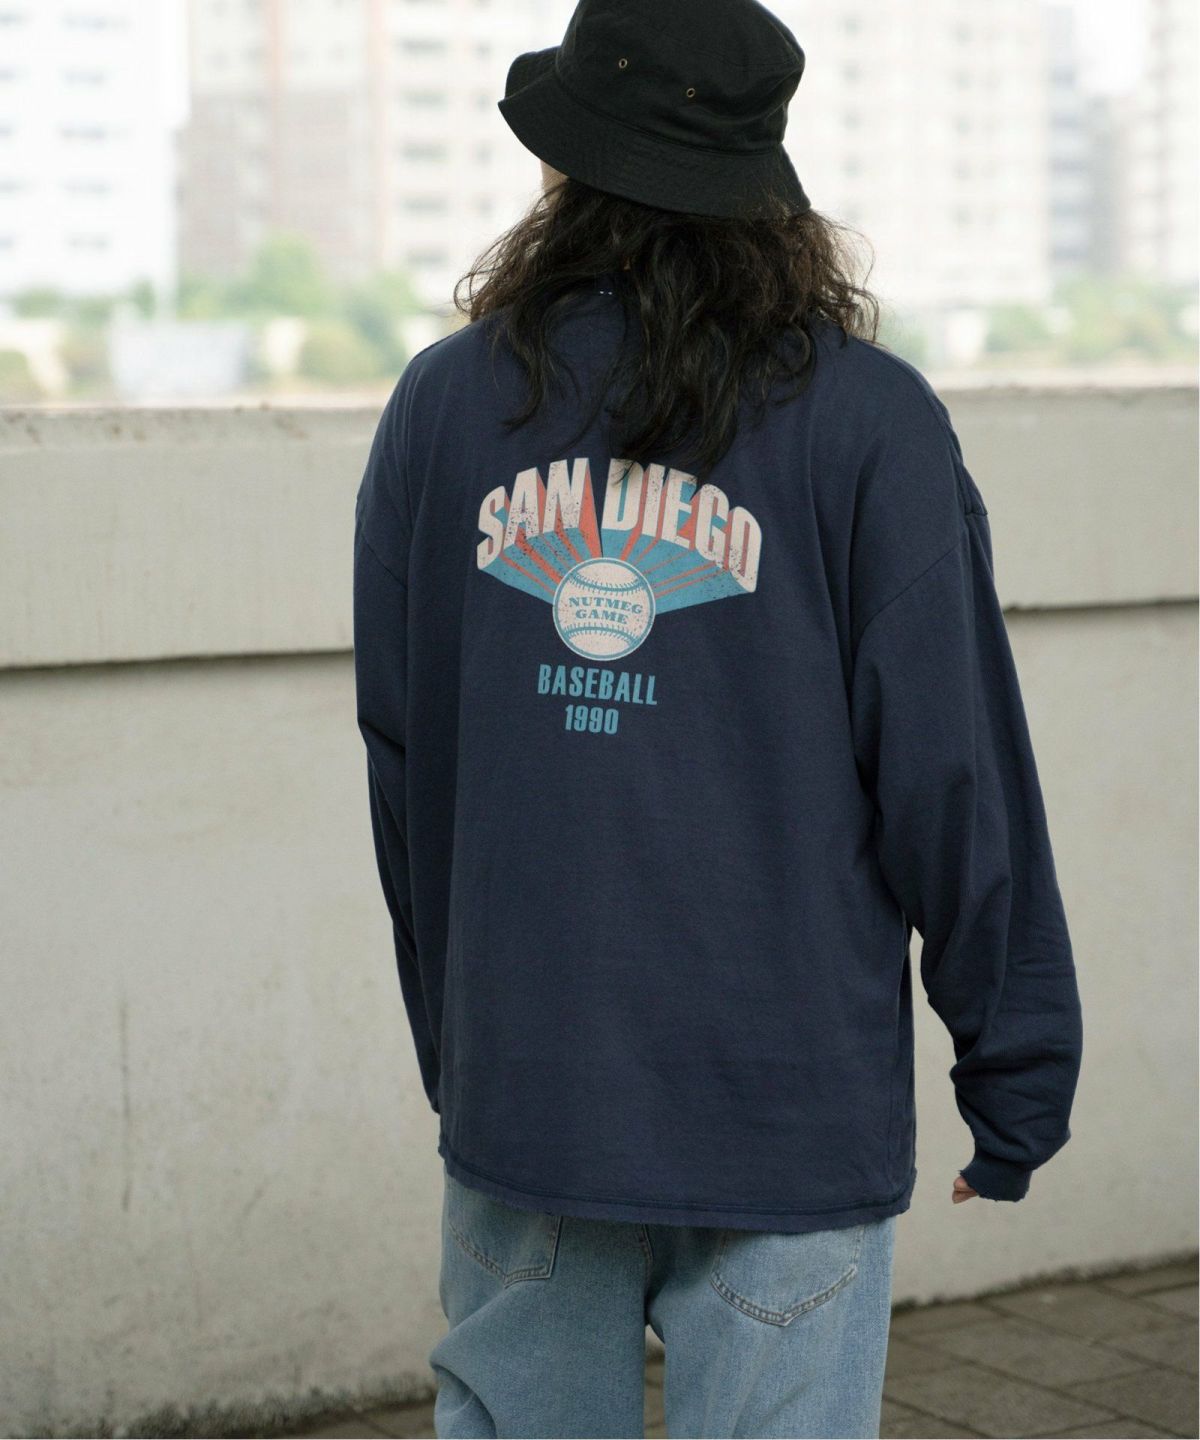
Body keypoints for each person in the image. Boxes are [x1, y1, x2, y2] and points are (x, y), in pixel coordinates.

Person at [352, 0, 1085, 1434]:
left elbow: (408, 758)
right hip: (785, 1109)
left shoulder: (444, 410)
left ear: (568, 169)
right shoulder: (869, 422)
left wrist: (468, 1044)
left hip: (533, 1088)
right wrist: (1017, 1074)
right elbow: (956, 776)